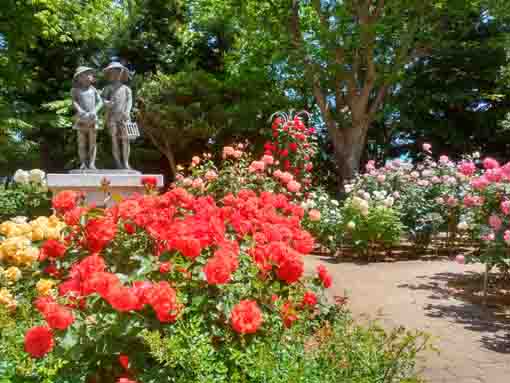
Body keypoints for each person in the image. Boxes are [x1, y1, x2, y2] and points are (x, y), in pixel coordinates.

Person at [102, 62, 133, 169]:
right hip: (112, 117)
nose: (115, 74)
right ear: (110, 74)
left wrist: (128, 111)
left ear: (122, 74)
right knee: (114, 140)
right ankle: (118, 163)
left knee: (126, 140)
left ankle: (126, 163)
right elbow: (101, 100)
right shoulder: (108, 88)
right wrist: (107, 103)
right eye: (113, 72)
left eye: (118, 72)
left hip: (124, 117)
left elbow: (129, 101)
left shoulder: (126, 89)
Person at [71, 67, 102, 170]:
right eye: (86, 74)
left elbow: (100, 102)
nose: (89, 76)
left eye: (90, 75)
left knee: (93, 142)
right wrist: (80, 111)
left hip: (92, 118)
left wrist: (94, 111)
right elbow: (74, 101)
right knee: (81, 143)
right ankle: (83, 163)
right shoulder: (75, 90)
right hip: (81, 119)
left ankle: (92, 163)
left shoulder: (94, 90)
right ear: (79, 78)